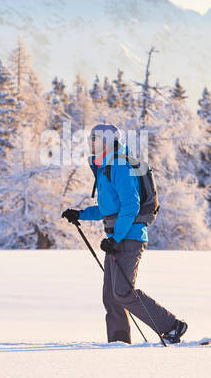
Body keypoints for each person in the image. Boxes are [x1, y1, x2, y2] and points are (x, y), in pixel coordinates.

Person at [62, 124, 188, 345]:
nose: (90, 142)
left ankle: (172, 326)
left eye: (94, 138)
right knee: (111, 296)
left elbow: (131, 205)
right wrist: (80, 214)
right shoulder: (106, 167)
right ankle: (118, 343)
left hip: (128, 238)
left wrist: (116, 238)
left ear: (106, 141)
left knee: (122, 292)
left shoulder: (119, 165)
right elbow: (109, 208)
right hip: (117, 237)